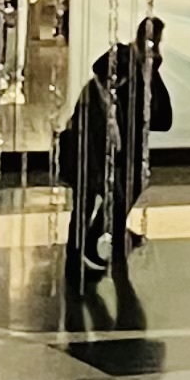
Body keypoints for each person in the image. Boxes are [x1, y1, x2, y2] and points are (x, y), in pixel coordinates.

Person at [58, 18, 171, 292]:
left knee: (109, 199)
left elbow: (160, 118)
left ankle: (89, 250)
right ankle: (79, 259)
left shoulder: (128, 81)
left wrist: (151, 69)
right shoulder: (105, 85)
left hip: (111, 152)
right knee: (90, 203)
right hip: (94, 152)